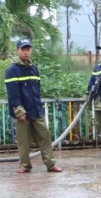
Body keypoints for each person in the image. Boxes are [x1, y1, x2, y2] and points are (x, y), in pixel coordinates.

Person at [5, 39, 62, 174]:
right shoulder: (12, 70)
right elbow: (12, 93)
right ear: (17, 50)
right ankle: (25, 165)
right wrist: (19, 110)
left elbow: (37, 90)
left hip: (36, 109)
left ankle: (50, 164)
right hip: (22, 111)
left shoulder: (33, 68)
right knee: (23, 141)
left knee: (45, 136)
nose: (25, 52)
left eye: (28, 49)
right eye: (23, 49)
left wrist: (39, 106)